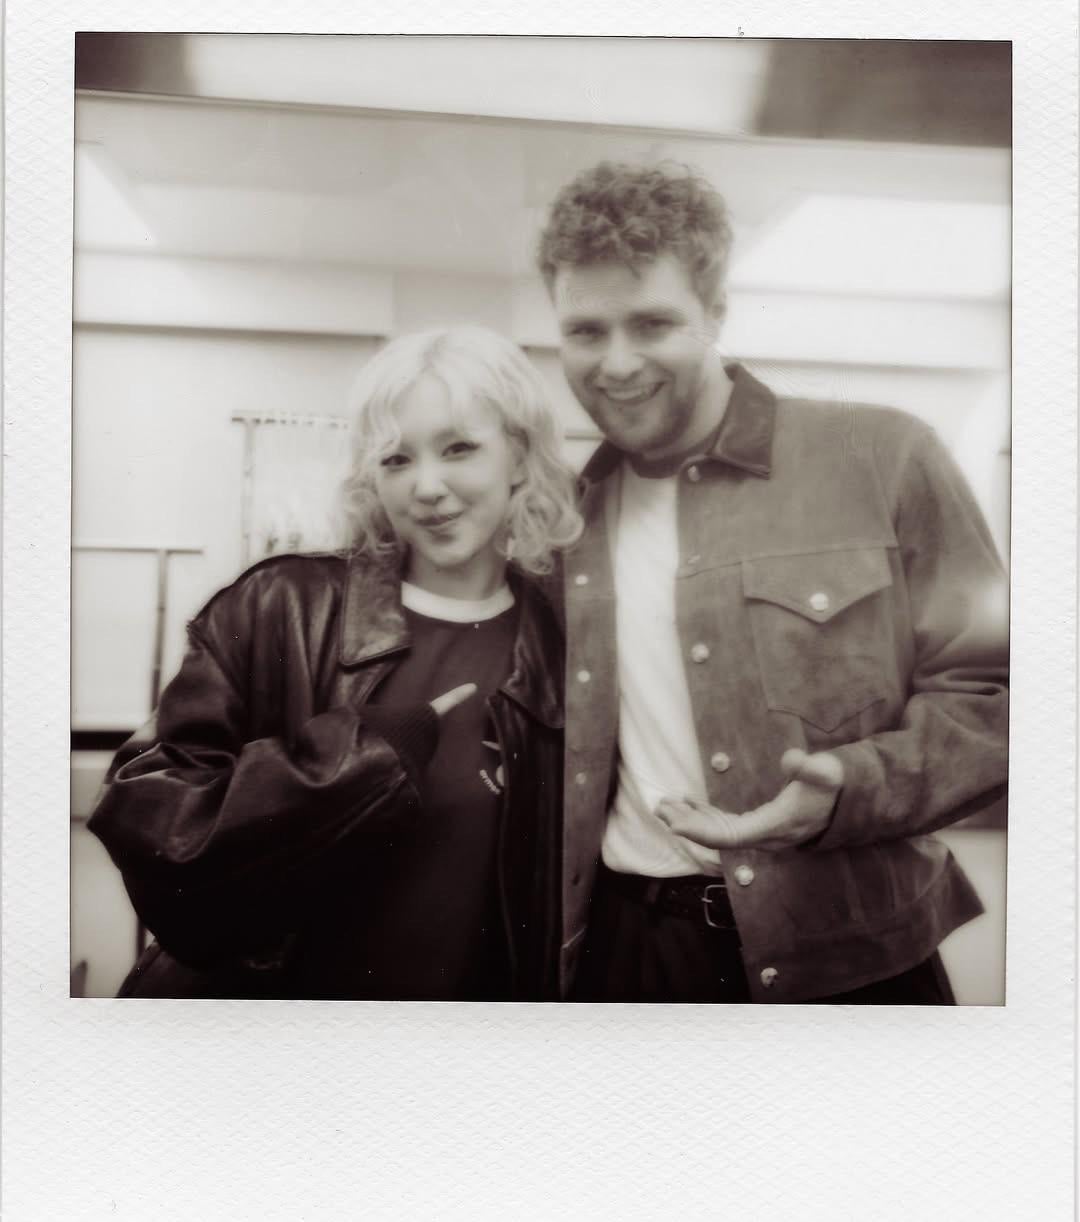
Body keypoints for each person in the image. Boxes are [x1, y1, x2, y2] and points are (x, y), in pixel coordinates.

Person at [536, 161, 1009, 1004]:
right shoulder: (565, 523)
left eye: (652, 323)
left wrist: (853, 787)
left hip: (854, 960)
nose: (617, 362)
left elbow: (999, 698)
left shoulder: (884, 457)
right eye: (586, 331)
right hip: (629, 954)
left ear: (716, 312)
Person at [88, 325, 582, 1000]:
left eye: (459, 449)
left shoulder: (562, 646)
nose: (426, 487)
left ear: (519, 457)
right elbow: (152, 825)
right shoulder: (279, 606)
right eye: (396, 460)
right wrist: (358, 764)